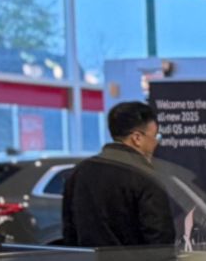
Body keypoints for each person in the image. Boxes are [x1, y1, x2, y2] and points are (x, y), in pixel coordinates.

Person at [60, 99, 177, 251]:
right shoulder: (145, 175)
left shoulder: (79, 172)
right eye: (156, 136)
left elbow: (69, 232)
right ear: (137, 138)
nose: (156, 143)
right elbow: (160, 239)